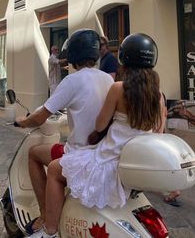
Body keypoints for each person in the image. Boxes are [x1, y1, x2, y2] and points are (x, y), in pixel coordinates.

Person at [27, 33, 162, 238]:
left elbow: (99, 125)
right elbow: (159, 132)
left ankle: (50, 230)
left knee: (55, 170)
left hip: (108, 160)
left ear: (123, 59)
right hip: (133, 162)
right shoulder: (159, 96)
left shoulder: (118, 88)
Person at [15, 29, 114, 235]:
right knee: (43, 154)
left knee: (35, 155)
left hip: (78, 155)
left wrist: (23, 122)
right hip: (101, 153)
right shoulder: (108, 79)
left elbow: (41, 115)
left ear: (73, 54)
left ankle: (46, 220)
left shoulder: (72, 80)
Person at [153, 71, 181, 207]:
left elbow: (156, 115)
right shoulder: (161, 94)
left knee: (160, 163)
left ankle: (174, 189)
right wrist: (161, 130)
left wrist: (157, 131)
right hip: (160, 131)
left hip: (154, 133)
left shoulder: (152, 96)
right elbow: (164, 113)